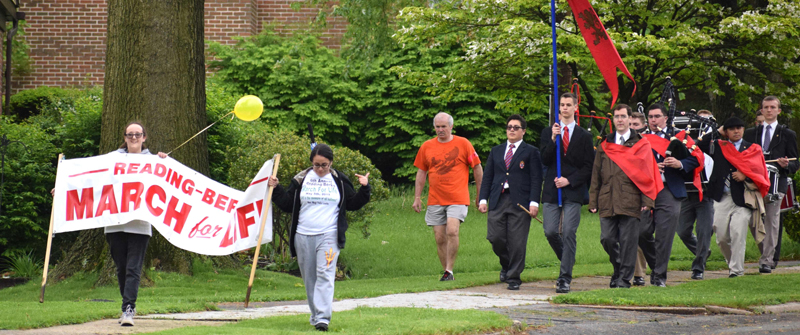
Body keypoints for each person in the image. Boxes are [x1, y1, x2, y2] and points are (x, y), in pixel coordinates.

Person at [268, 144, 371, 331]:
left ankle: (323, 318)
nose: (321, 169)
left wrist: (364, 188)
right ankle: (315, 315)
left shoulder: (339, 180)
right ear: (311, 164)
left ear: (331, 162)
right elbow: (286, 204)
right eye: (316, 165)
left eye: (324, 165)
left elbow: (353, 203)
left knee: (325, 273)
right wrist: (276, 188)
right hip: (303, 235)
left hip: (329, 235)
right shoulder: (301, 179)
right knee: (309, 278)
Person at [589, 104, 659, 288]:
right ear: (613, 120)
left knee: (628, 242)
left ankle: (624, 279)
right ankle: (619, 269)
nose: (619, 120)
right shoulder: (605, 144)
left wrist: (647, 200)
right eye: (617, 116)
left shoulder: (641, 144)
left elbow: (647, 174)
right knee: (607, 239)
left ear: (630, 119)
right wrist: (592, 199)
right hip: (607, 199)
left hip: (631, 198)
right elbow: (596, 174)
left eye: (623, 116)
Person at [107, 122, 167, 326]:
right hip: (114, 223)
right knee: (122, 268)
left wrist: (165, 163)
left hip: (140, 225)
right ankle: (126, 306)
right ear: (124, 137)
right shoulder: (112, 159)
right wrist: (62, 191)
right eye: (130, 134)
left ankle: (128, 309)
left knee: (133, 268)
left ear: (144, 137)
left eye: (137, 134)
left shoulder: (154, 161)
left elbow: (168, 182)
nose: (133, 138)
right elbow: (91, 182)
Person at [412, 112, 483, 281]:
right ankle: (446, 272)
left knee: (452, 230)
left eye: (444, 126)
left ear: (451, 126)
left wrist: (480, 195)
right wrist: (417, 197)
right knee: (439, 237)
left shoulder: (464, 143)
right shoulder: (427, 146)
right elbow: (421, 173)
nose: (440, 130)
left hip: (457, 197)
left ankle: (449, 269)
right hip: (435, 198)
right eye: (437, 127)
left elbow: (477, 168)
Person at [697, 117, 768, 277]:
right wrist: (718, 131)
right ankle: (732, 264)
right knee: (721, 237)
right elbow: (700, 145)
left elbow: (760, 172)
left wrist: (746, 176)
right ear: (726, 132)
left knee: (738, 232)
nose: (736, 131)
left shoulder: (752, 148)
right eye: (732, 128)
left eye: (739, 127)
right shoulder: (719, 147)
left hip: (743, 198)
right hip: (722, 197)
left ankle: (737, 270)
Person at [478, 114, 542, 290]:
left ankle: (514, 277)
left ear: (524, 131)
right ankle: (506, 264)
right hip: (498, 199)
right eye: (509, 127)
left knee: (517, 241)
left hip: (520, 202)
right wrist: (483, 199)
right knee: (495, 237)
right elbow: (488, 177)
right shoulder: (496, 151)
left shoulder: (531, 151)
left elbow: (536, 178)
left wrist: (534, 203)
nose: (512, 130)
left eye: (516, 127)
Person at [537, 93, 593, 293]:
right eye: (562, 105)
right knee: (551, 231)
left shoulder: (585, 136)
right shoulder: (548, 132)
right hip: (553, 190)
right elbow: (544, 159)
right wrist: (553, 139)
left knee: (569, 231)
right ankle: (567, 260)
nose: (565, 108)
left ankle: (564, 277)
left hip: (573, 191)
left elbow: (589, 166)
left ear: (575, 108)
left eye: (569, 105)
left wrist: (570, 180)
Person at [638, 104, 699, 287]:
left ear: (666, 118)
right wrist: (650, 168)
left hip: (669, 189)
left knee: (664, 235)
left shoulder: (679, 136)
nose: (653, 120)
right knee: (642, 231)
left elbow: (695, 158)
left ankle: (658, 277)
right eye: (650, 117)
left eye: (657, 116)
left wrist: (679, 163)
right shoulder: (640, 138)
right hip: (647, 190)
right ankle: (657, 265)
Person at [743, 96, 799, 273]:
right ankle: (765, 253)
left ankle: (767, 260)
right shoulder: (752, 133)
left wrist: (786, 165)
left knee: (772, 222)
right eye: (765, 107)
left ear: (778, 111)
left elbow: (795, 163)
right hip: (754, 184)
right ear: (761, 110)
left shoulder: (788, 135)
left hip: (777, 183)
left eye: (772, 107)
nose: (769, 110)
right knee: (752, 221)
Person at [676, 109, 715, 280]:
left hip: (705, 195)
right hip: (687, 193)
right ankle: (703, 251)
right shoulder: (685, 140)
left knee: (703, 231)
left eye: (706, 123)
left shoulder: (714, 141)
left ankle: (698, 267)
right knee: (683, 231)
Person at [629, 111, 649, 285]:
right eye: (630, 124)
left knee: (644, 234)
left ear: (643, 126)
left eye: (636, 125)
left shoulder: (647, 143)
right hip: (628, 194)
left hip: (650, 193)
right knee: (633, 233)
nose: (632, 128)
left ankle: (652, 265)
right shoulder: (621, 143)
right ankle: (637, 273)